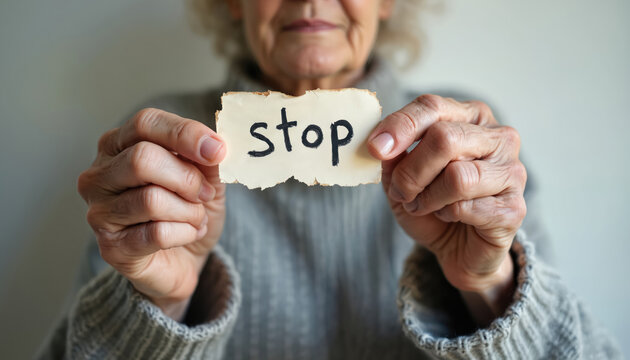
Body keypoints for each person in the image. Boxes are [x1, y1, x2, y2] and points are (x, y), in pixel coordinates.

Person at [38, 0, 620, 359]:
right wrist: (163, 304)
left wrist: (490, 284)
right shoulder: (159, 150)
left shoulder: (469, 142)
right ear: (233, 4)